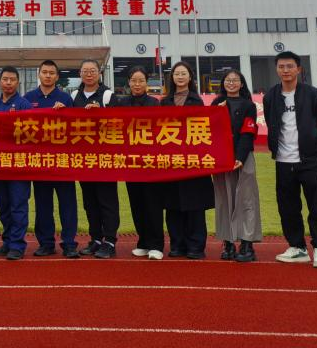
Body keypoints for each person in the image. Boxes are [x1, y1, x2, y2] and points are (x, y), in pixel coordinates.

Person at [263, 50, 317, 269]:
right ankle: (297, 247)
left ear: (298, 69)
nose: (285, 70)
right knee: (287, 207)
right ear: (277, 70)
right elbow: (271, 122)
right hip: (283, 161)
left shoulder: (313, 94)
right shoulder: (271, 96)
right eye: (281, 67)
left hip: (310, 160)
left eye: (289, 66)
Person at [23, 60, 78, 258]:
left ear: (57, 76)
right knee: (43, 206)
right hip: (40, 162)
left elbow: (76, 128)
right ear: (39, 74)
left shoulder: (66, 98)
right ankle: (46, 243)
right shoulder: (28, 98)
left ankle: (69, 244)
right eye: (44, 72)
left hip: (63, 161)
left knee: (68, 205)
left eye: (51, 73)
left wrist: (65, 114)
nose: (48, 76)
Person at [161, 61, 215, 259]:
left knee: (194, 205)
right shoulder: (165, 102)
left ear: (190, 77)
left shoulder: (197, 101)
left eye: (184, 74)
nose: (180, 77)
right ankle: (177, 244)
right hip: (171, 161)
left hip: (192, 161)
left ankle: (196, 246)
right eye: (177, 74)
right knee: (172, 205)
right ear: (172, 77)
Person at [109, 66, 164, 260]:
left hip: (150, 163)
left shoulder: (155, 104)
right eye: (134, 80)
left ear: (146, 83)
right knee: (137, 203)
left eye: (141, 80)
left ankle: (157, 244)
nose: (137, 84)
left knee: (153, 203)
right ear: (129, 82)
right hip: (130, 163)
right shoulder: (121, 103)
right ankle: (144, 242)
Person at [210, 69, 262, 263]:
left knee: (246, 200)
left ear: (241, 84)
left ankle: (247, 244)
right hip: (222, 159)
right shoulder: (217, 103)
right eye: (228, 80)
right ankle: (228, 242)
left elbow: (248, 132)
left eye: (235, 80)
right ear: (223, 83)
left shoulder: (249, 105)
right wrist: (218, 112)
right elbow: (210, 129)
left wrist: (240, 156)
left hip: (243, 158)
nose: (231, 83)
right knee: (224, 200)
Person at [71, 58, 119, 258]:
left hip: (105, 158)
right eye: (85, 71)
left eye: (92, 70)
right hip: (84, 159)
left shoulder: (108, 96)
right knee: (90, 202)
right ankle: (96, 239)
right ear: (80, 74)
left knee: (107, 201)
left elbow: (119, 124)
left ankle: (110, 241)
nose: (89, 74)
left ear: (99, 73)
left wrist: (101, 114)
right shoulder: (74, 96)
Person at [0, 66, 33, 261]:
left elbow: (31, 136)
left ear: (17, 82)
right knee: (3, 207)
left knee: (18, 206)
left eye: (12, 79)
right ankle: (7, 242)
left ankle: (17, 245)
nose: (8, 83)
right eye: (5, 79)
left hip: (18, 168)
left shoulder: (24, 105)